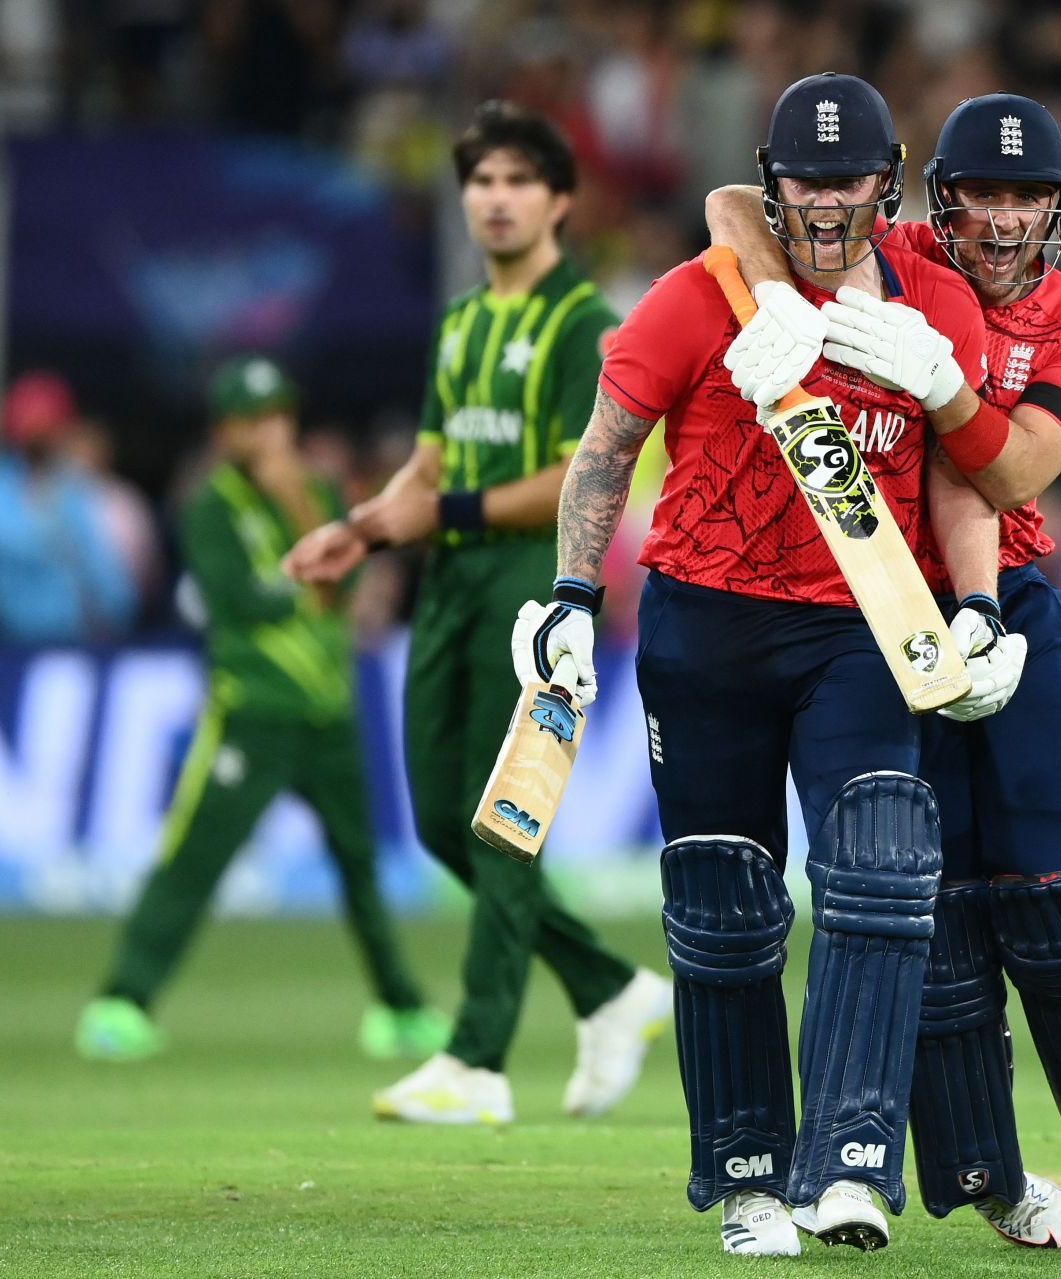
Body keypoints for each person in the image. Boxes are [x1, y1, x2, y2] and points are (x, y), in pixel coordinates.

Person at [515, 72, 1023, 1257]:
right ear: (774, 180)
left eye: (851, 179)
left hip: (862, 621)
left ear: (885, 184)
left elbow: (962, 474)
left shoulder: (931, 301)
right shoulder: (701, 298)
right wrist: (574, 597)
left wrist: (984, 604)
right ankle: (745, 1175)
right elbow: (606, 450)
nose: (829, 202)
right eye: (807, 179)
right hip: (705, 630)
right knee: (725, 909)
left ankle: (847, 1161)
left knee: (885, 867)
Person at [705, 92, 1061, 1250]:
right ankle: (987, 1170)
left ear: (1058, 207)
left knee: (1054, 861)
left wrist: (944, 387)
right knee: (931, 901)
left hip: (1004, 594)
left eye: (1028, 195)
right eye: (985, 191)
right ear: (941, 197)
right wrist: (774, 295)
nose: (1005, 217)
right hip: (878, 600)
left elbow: (1015, 473)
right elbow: (730, 201)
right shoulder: (901, 249)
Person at [280, 101, 671, 1126]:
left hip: (531, 584)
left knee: (503, 823)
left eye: (516, 181)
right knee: (443, 824)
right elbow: (432, 458)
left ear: (560, 201)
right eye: (480, 181)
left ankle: (478, 1061)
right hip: (447, 578)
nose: (495, 200)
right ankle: (608, 989)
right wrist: (361, 532)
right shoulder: (460, 321)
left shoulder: (586, 324)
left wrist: (432, 511)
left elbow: (584, 477)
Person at [75, 356, 445, 1063]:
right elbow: (237, 599)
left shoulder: (323, 488)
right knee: (196, 858)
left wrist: (304, 515)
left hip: (328, 711)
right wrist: (310, 575)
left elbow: (348, 579)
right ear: (226, 431)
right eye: (255, 419)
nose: (272, 430)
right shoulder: (210, 505)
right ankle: (122, 999)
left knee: (361, 865)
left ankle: (399, 1007)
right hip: (253, 711)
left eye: (280, 414)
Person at [0, 372, 138, 645]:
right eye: (39, 426)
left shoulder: (73, 486)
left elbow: (101, 566)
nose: (47, 436)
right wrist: (51, 520)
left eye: (54, 425)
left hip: (73, 639)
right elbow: (9, 540)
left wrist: (116, 611)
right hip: (8, 638)